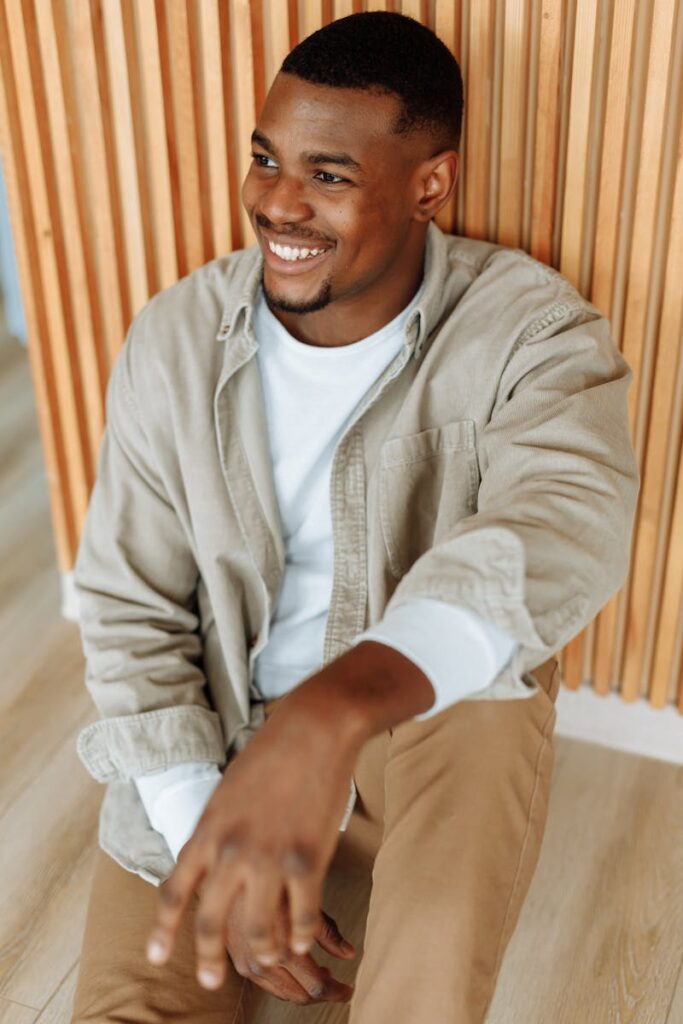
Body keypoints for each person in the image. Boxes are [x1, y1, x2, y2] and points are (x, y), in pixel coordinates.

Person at [70, 11, 639, 1024]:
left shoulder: (530, 330)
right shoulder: (174, 339)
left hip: (407, 738)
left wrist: (329, 713)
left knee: (492, 700)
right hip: (221, 734)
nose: (276, 204)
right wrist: (206, 839)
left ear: (427, 186)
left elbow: (564, 526)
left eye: (327, 175)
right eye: (264, 159)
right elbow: (126, 608)